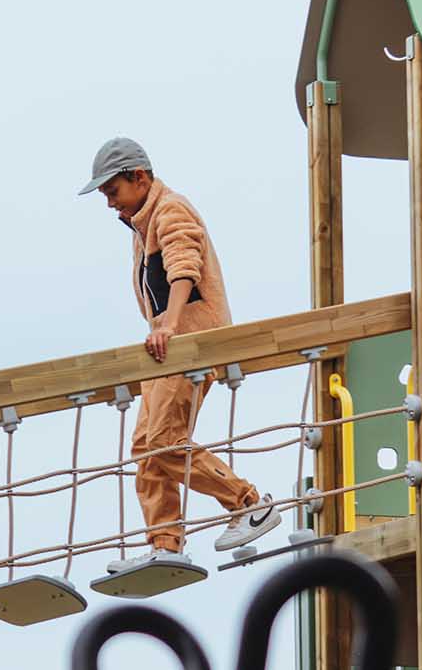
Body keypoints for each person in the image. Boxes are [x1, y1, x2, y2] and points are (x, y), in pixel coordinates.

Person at [78, 137, 282, 570]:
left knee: (165, 443)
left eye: (113, 192)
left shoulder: (170, 210)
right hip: (164, 349)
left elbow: (183, 265)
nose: (110, 204)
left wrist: (169, 324)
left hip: (188, 345)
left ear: (140, 177)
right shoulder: (141, 225)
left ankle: (249, 504)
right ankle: (165, 543)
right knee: (145, 447)